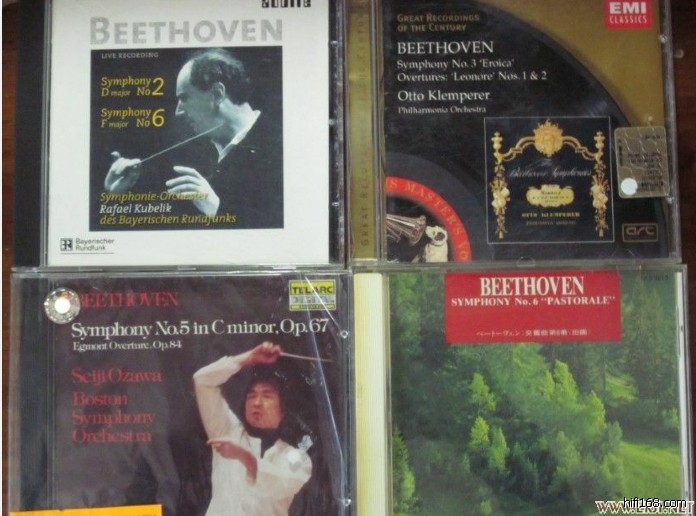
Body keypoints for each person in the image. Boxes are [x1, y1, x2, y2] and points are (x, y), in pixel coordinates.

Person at [105, 48, 283, 228]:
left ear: (217, 93)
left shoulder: (281, 149)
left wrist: (217, 211)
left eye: (184, 97)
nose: (178, 111)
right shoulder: (204, 157)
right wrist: (117, 197)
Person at [193, 342, 312, 515]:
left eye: (267, 395)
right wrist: (248, 358)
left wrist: (244, 456)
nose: (256, 402)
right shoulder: (227, 430)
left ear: (284, 408)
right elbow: (202, 380)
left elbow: (281, 484)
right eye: (251, 395)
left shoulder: (297, 457)